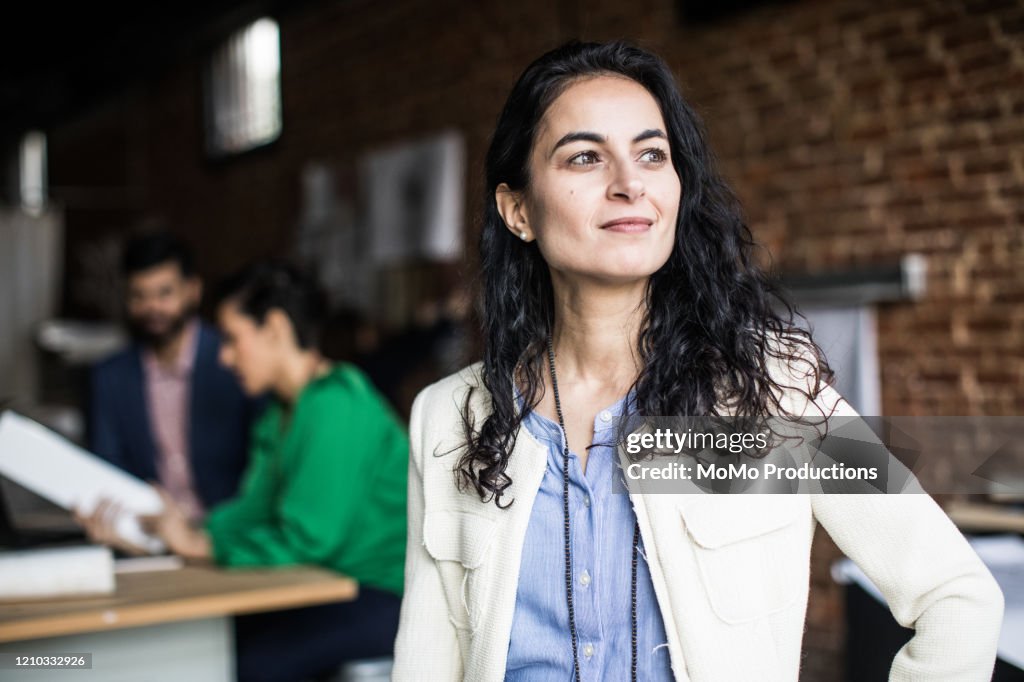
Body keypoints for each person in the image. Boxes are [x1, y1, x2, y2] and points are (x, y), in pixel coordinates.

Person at [391, 41, 1004, 681]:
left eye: (651, 155)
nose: (629, 184)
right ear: (518, 210)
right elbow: (426, 662)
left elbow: (956, 598)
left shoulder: (778, 393)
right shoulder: (447, 418)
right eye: (584, 157)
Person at [136, 261, 407, 682]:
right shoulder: (278, 415)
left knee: (253, 661)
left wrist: (200, 547)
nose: (224, 357)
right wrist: (177, 532)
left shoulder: (336, 405)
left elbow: (308, 540)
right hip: (324, 583)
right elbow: (253, 512)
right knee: (206, 637)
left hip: (381, 593)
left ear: (275, 328)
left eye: (231, 339)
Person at [87, 231, 257, 524]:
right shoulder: (110, 377)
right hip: (146, 534)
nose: (152, 307)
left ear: (192, 290)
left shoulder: (235, 361)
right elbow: (107, 469)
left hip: (230, 533)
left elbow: (260, 466)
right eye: (138, 296)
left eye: (164, 293)